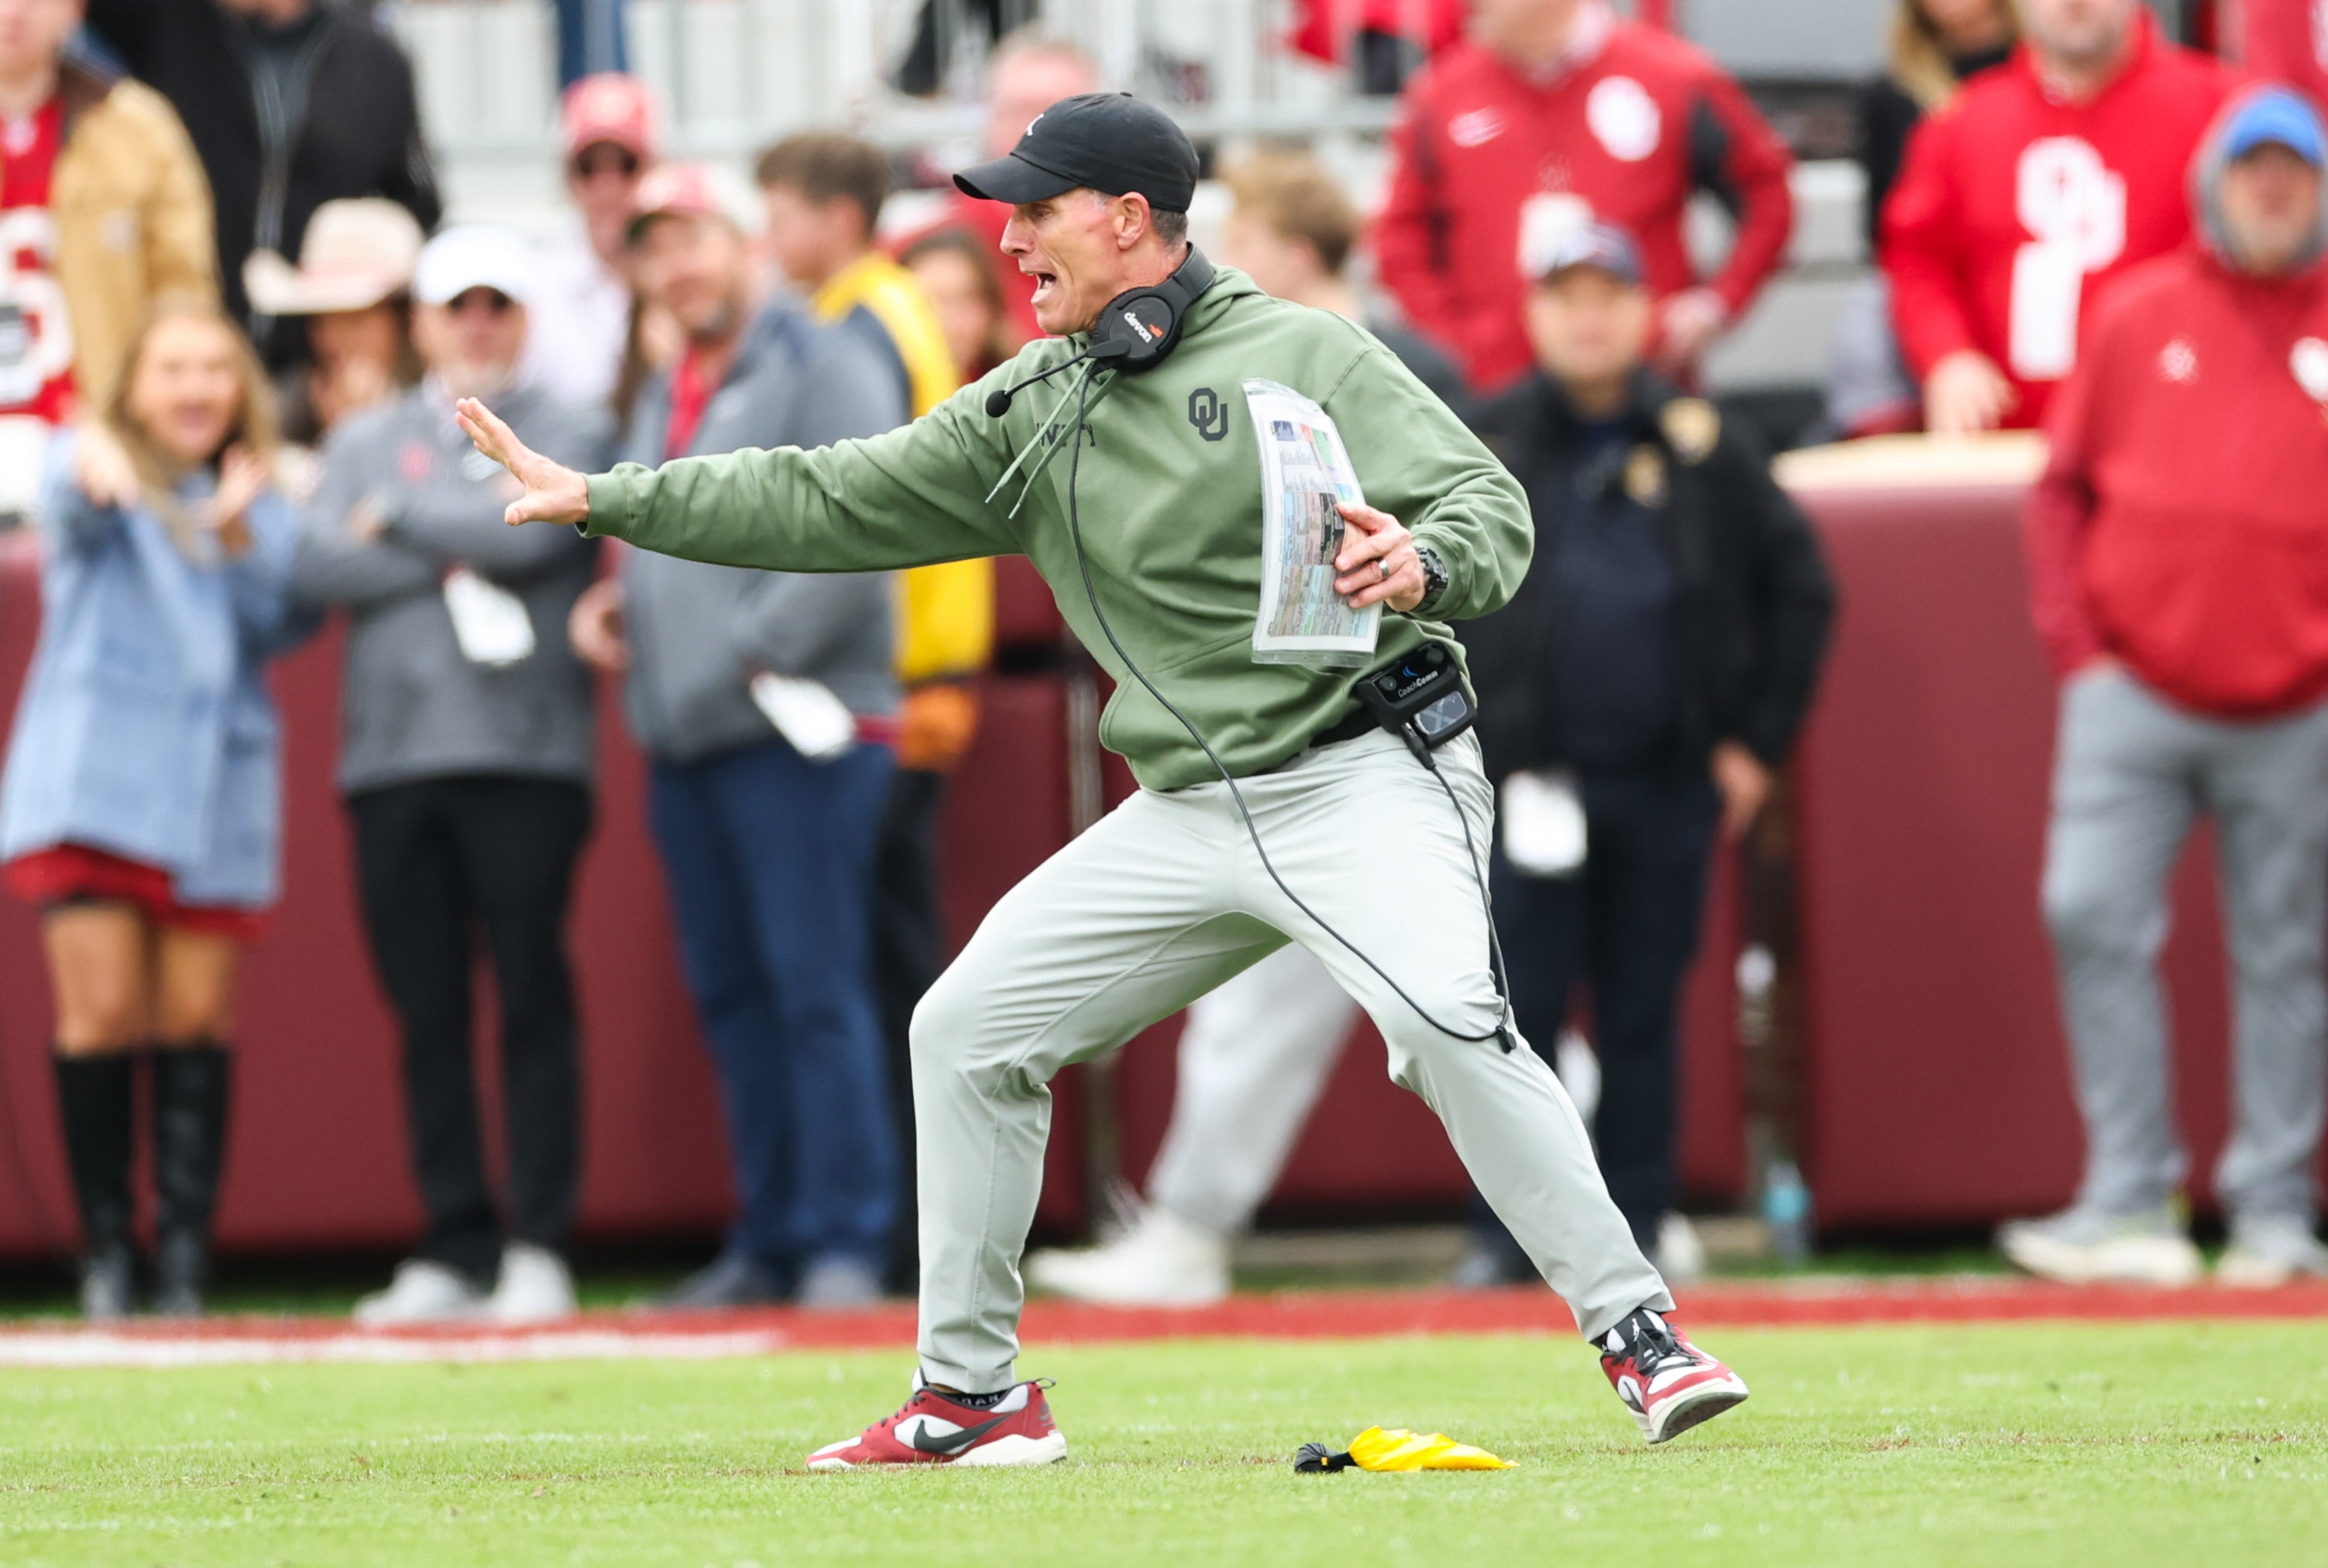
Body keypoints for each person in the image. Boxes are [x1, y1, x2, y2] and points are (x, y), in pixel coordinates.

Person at [458, 91, 1752, 1467]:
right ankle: (972, 1397)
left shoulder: (1298, 348)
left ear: (1127, 221)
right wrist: (609, 496)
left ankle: (1639, 1333)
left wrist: (1422, 561)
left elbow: (1488, 506)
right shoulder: (1037, 397)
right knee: (964, 1032)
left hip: (1361, 769)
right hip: (1190, 810)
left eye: (1033, 209)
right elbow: (827, 495)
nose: (1006, 237)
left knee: (1442, 1020)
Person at [1024, 144, 1478, 1308]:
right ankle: (1186, 1225)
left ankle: (1189, 1230)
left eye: (1250, 238)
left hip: (1368, 745)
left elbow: (1460, 538)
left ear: (1294, 249)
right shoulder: (1197, 362)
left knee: (1442, 1015)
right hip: (1315, 748)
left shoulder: (1371, 360)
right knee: (1454, 1008)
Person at [1459, 221, 1833, 1284]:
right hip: (1518, 782)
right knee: (1501, 1026)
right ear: (1530, 311)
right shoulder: (1481, 438)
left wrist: (1755, 743)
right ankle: (1504, 1241)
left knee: (1641, 1015)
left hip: (1664, 780)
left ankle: (1635, 1229)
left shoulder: (1702, 447)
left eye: (1609, 293)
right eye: (1565, 293)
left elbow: (1802, 588)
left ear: (1644, 310)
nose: (1587, 316)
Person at [2008, 86, 2328, 1289]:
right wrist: (2077, 649)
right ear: (2213, 182)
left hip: (2296, 702)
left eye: (2290, 171)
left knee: (2285, 953)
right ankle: (2128, 1201)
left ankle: (2272, 1215)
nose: (2269, 190)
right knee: (2086, 910)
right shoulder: (2139, 312)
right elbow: (2057, 489)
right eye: (2250, 169)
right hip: (2131, 689)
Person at [570, 166, 906, 1311]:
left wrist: (746, 653)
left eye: (695, 238)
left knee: (814, 989)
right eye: (655, 247)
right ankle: (771, 1237)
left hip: (795, 728)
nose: (678, 265)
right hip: (694, 733)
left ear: (744, 241)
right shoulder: (662, 383)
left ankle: (846, 1245)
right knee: (736, 995)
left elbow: (865, 522)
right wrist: (628, 607)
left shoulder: (825, 356)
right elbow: (658, 535)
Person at [291, 227, 607, 1326]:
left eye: (496, 306)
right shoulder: (367, 430)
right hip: (390, 761)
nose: (476, 324)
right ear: (421, 321)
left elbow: (539, 534)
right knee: (425, 1009)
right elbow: (314, 558)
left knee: (530, 994)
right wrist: (459, 532)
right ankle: (452, 1237)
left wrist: (403, 519)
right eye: (455, 306)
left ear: (521, 320)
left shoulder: (567, 425)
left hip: (525, 755)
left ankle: (537, 1239)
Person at [0, 300, 304, 1319]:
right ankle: (103, 1258)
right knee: (100, 1016)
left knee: (196, 1020)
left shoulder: (263, 493)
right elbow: (76, 505)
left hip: (220, 786)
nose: (195, 388)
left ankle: (181, 1262)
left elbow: (283, 620)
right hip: (100, 782)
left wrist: (231, 537)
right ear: (133, 386)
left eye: (215, 368)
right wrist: (90, 451)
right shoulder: (95, 466)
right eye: (172, 368)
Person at [756, 130, 995, 1289]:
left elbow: (854, 501)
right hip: (915, 666)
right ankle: (905, 1233)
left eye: (782, 211)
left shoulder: (859, 319)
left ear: (837, 216)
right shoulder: (891, 310)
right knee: (894, 967)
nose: (770, 237)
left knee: (879, 976)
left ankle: (893, 1236)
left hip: (890, 676)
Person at [1375, 0, 1795, 393]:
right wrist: (1452, 344)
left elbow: (1767, 192)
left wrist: (1716, 305)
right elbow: (1399, 237)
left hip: (1644, 388)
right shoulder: (1441, 93)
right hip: (1495, 397)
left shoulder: (1672, 77)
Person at [1880, 0, 2234, 435]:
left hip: (2172, 440)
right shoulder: (1961, 123)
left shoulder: (2221, 111)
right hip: (2010, 447)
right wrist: (1948, 356)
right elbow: (1918, 259)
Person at [84, 0, 441, 372]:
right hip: (193, 362)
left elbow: (416, 207)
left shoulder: (374, 60)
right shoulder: (170, 23)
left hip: (319, 363)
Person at [0, 0, 216, 515]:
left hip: (96, 450)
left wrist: (139, 431)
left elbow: (185, 298)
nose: (14, 10)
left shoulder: (136, 128)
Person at [1827, 1, 2017, 441]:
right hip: (1931, 264)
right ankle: (1885, 452)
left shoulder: (2044, 72)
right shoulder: (1889, 93)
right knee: (1867, 322)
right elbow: (1884, 234)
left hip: (2017, 255)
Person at [891, 28, 1097, 345]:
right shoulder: (920, 248)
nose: (1033, 129)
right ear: (989, 116)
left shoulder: (1125, 245)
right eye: (1017, 110)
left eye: (1054, 113)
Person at [243, 197, 424, 446]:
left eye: (356, 321)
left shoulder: (451, 400)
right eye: (323, 321)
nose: (332, 339)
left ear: (404, 320)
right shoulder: (287, 405)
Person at [524, 73, 654, 416]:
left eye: (627, 165)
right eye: (588, 168)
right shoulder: (536, 286)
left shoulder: (688, 272)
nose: (607, 187)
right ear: (568, 180)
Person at [901, 228, 1017, 383]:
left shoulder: (1025, 388)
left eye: (965, 302)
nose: (950, 325)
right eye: (929, 303)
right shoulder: (877, 392)